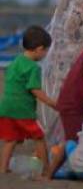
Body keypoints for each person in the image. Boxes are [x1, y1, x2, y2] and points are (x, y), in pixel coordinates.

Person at [0, 26, 57, 176]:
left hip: (6, 107)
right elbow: (35, 90)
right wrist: (51, 102)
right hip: (22, 109)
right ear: (39, 49)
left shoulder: (16, 60)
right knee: (39, 137)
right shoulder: (33, 68)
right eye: (45, 51)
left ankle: (3, 168)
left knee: (10, 139)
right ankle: (46, 169)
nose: (45, 54)